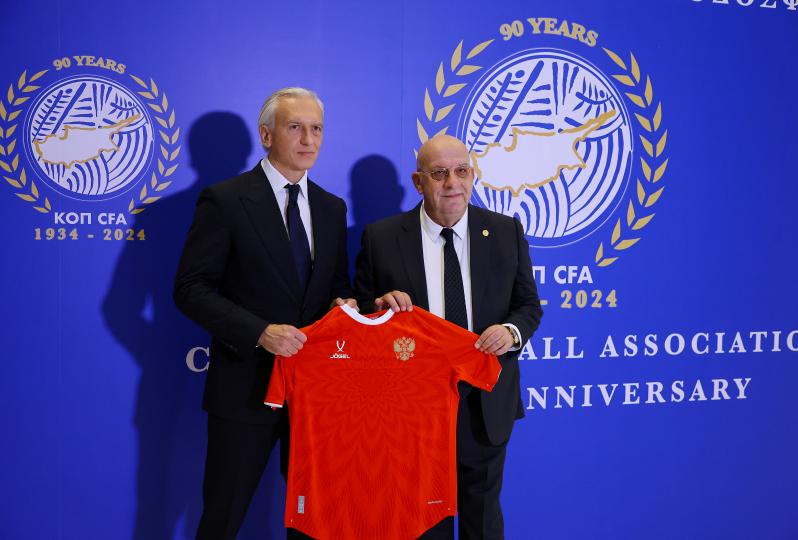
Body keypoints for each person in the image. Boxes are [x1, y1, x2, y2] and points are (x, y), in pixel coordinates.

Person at [174, 87, 354, 540]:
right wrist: (259, 332)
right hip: (244, 389)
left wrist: (344, 306)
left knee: (315, 522)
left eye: (316, 129)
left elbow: (336, 286)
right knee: (222, 520)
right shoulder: (225, 200)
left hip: (315, 395)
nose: (308, 139)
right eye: (295, 127)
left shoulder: (332, 208)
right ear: (267, 135)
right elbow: (191, 289)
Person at [354, 134, 543, 540]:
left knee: (483, 524)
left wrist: (510, 332)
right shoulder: (381, 238)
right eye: (439, 173)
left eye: (461, 171)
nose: (452, 183)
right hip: (412, 413)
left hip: (484, 404)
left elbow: (528, 306)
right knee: (420, 526)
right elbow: (361, 317)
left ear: (473, 176)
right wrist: (378, 308)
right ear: (418, 181)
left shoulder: (505, 231)